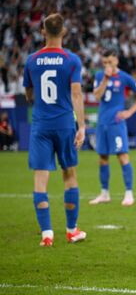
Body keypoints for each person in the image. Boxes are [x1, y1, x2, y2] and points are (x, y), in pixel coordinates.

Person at [22, 13, 87, 247]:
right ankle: (71, 230)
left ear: (42, 32)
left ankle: (47, 234)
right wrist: (82, 126)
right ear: (63, 32)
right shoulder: (71, 60)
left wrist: (36, 100)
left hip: (41, 125)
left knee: (40, 179)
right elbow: (77, 94)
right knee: (69, 175)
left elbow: (28, 94)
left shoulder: (31, 60)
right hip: (64, 124)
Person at [89, 49, 136, 206]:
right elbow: (97, 96)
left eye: (109, 62)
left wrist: (129, 112)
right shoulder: (100, 76)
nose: (107, 65)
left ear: (116, 61)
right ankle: (104, 193)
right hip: (102, 122)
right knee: (103, 158)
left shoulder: (124, 77)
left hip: (117, 122)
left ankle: (129, 193)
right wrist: (105, 79)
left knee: (122, 157)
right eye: (105, 62)